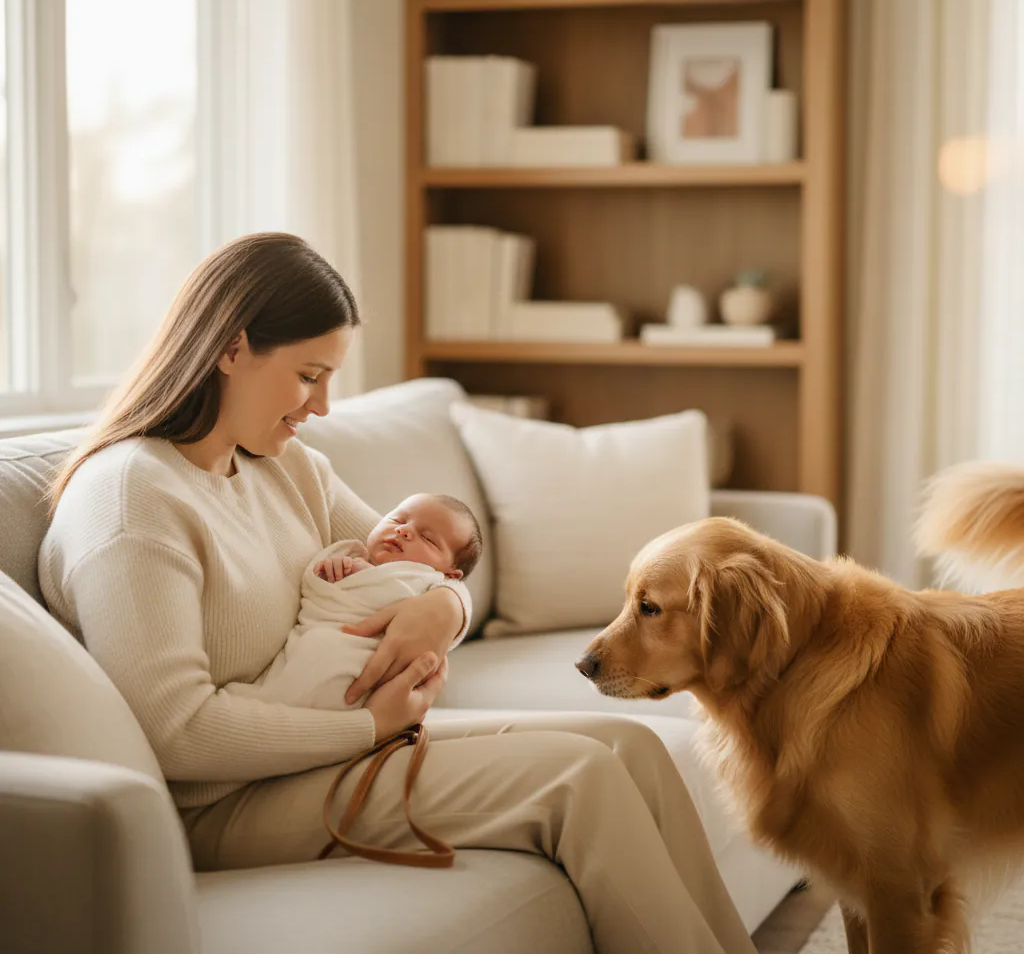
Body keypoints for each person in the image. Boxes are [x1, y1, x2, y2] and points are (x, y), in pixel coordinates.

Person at [39, 231, 756, 954]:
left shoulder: (285, 469)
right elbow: (177, 732)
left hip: (324, 754)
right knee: (582, 778)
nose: (322, 405)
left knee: (631, 747)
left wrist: (443, 608)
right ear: (231, 348)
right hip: (221, 803)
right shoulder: (133, 501)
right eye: (309, 376)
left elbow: (426, 564)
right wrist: (369, 727)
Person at [235, 492, 483, 711]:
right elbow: (315, 592)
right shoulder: (351, 556)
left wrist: (451, 604)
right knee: (300, 670)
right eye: (397, 520)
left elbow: (431, 608)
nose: (404, 530)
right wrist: (332, 571)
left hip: (364, 669)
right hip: (316, 643)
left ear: (450, 574)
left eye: (428, 539)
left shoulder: (426, 580)